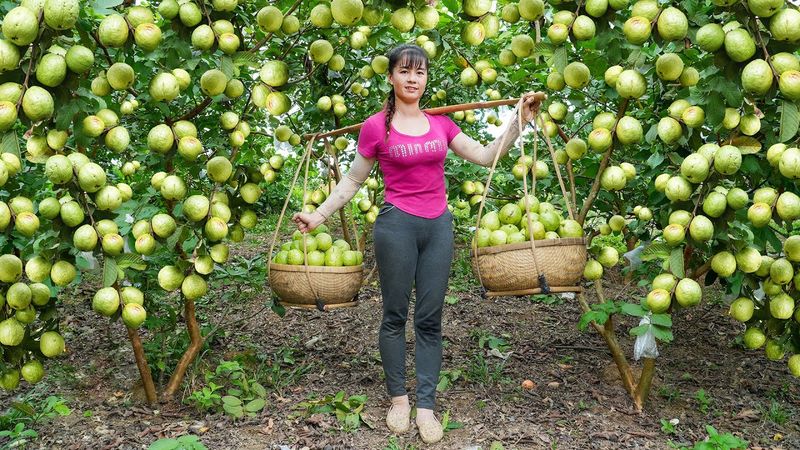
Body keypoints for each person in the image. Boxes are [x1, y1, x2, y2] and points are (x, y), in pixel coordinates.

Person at [292, 44, 542, 444]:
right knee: (394, 316)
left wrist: (518, 121)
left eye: (420, 72)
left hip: (438, 228)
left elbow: (485, 155)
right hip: (396, 227)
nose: (412, 79)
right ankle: (399, 400)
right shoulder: (377, 127)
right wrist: (318, 215)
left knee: (429, 319)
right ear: (391, 77)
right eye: (405, 71)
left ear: (426, 79)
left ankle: (425, 405)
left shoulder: (441, 124)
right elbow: (353, 180)